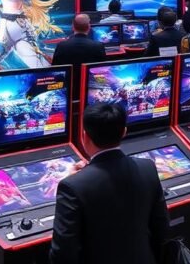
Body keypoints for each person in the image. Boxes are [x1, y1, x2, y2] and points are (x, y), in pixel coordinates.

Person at [49, 102, 169, 264]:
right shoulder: (147, 168)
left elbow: (63, 253)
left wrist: (74, 179)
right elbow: (161, 229)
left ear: (85, 136)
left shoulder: (71, 186)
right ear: (124, 132)